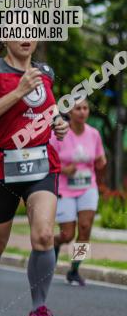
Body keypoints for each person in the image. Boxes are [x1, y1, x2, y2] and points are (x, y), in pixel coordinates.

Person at [0, 40, 68, 316]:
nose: (26, 36)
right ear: (6, 37)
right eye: (19, 30)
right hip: (1, 165)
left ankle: (38, 312)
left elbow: (48, 111)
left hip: (40, 164)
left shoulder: (45, 72)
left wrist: (58, 124)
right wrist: (19, 91)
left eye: (31, 30)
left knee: (44, 235)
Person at [51, 100, 106, 286]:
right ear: (70, 112)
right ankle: (54, 244)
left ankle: (74, 269)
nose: (82, 112)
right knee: (67, 234)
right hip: (64, 189)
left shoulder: (94, 134)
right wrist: (63, 169)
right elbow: (49, 161)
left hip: (88, 187)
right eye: (78, 108)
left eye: (85, 108)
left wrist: (101, 162)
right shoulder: (59, 134)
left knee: (85, 228)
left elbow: (100, 159)